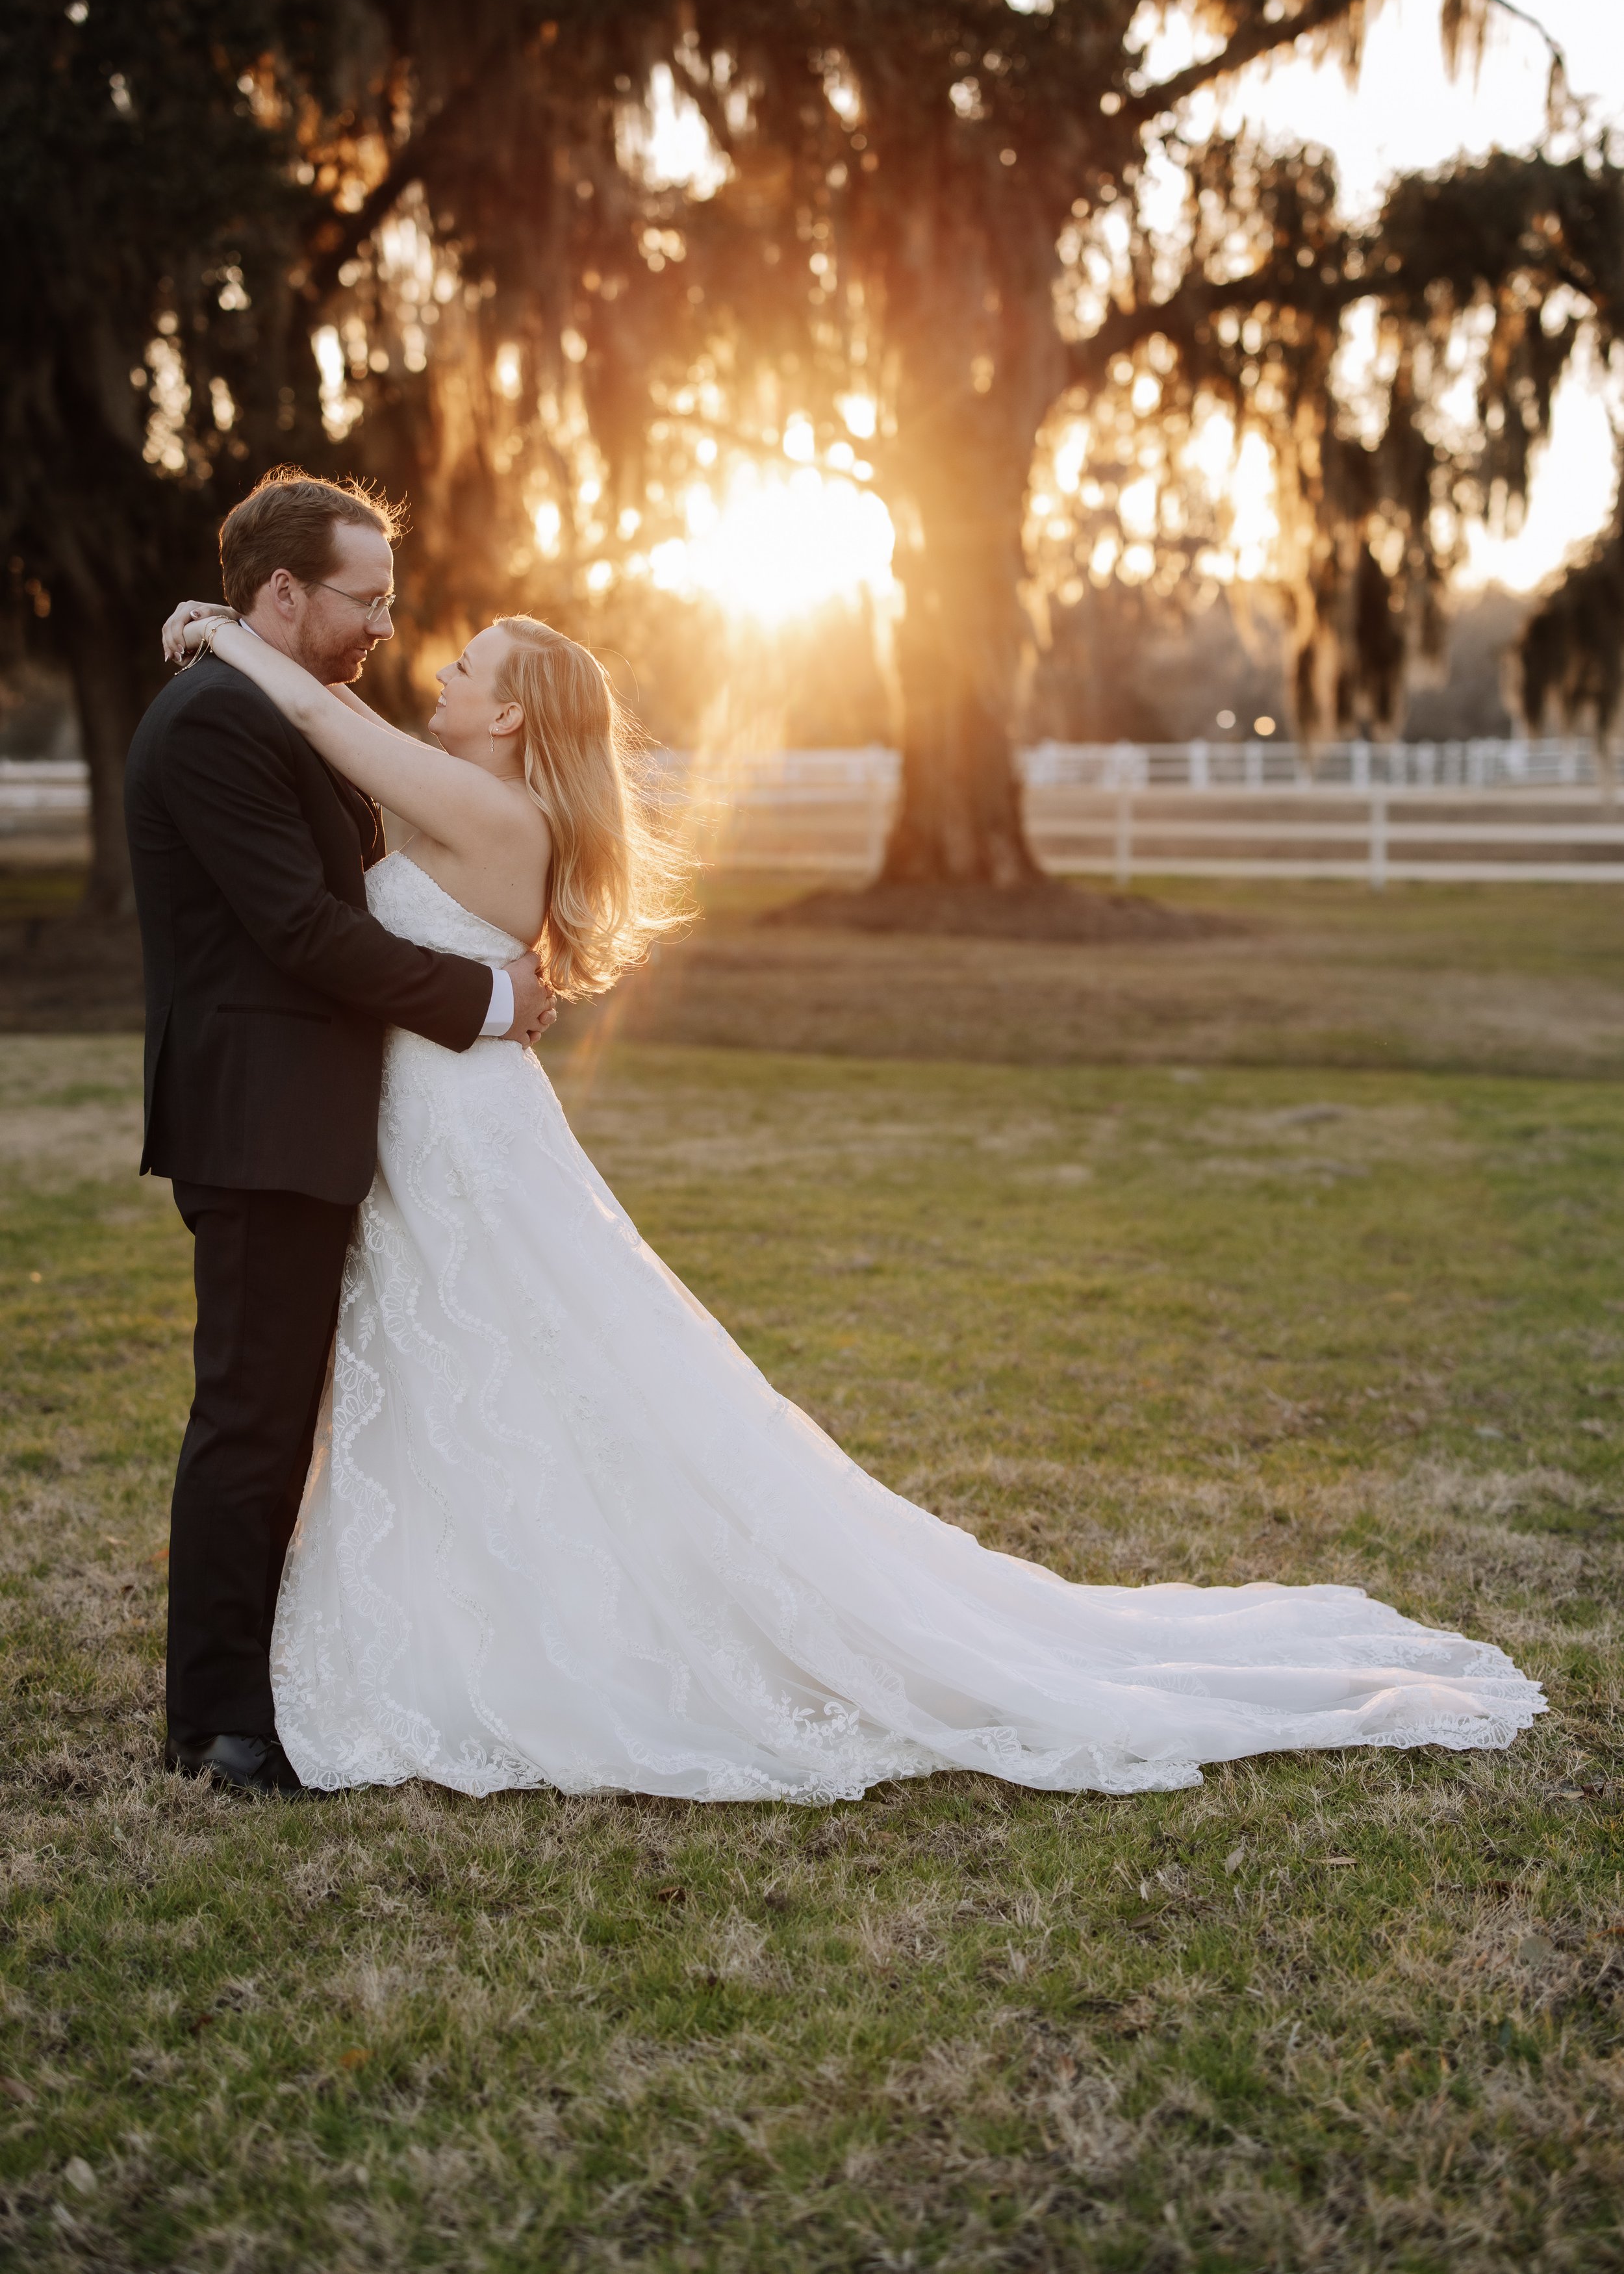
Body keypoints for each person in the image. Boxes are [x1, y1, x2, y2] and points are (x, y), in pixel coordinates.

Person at [159, 586, 1546, 1804]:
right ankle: (451, 1617)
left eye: (467, 669)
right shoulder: (476, 793)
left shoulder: (473, 799)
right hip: (435, 1118)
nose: (438, 678)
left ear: (512, 719)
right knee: (489, 1375)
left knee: (530, 1366)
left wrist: (225, 634)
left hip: (455, 1126)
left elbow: (325, 728)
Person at [127, 470, 556, 1800]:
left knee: (273, 1414)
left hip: (298, 1118)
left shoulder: (260, 695)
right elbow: (304, 932)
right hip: (257, 1120)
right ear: (280, 592)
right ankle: (217, 1724)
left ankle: (252, 1689)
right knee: (251, 1420)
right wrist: (486, 998)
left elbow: (340, 742)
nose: (382, 623)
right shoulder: (212, 725)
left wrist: (235, 634)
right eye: (361, 599)